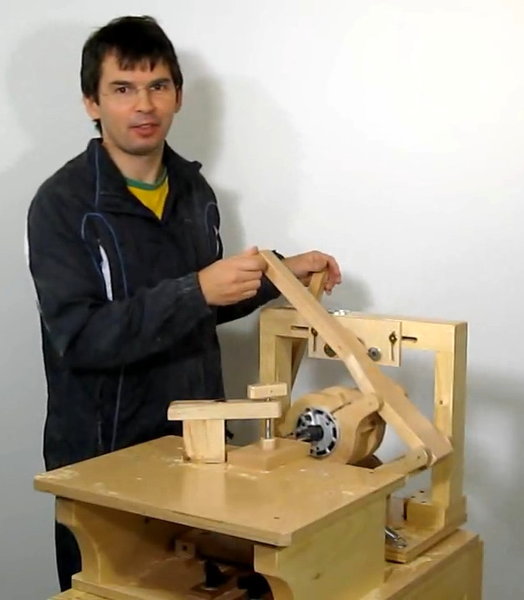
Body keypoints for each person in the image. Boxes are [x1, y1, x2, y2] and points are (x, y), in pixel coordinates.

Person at [26, 15, 341, 592]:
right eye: (123, 88)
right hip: (104, 466)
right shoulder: (61, 205)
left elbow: (206, 307)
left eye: (158, 86)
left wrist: (280, 273)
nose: (144, 105)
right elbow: (82, 338)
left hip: (199, 452)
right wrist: (197, 288)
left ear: (177, 94)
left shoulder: (195, 192)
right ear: (92, 103)